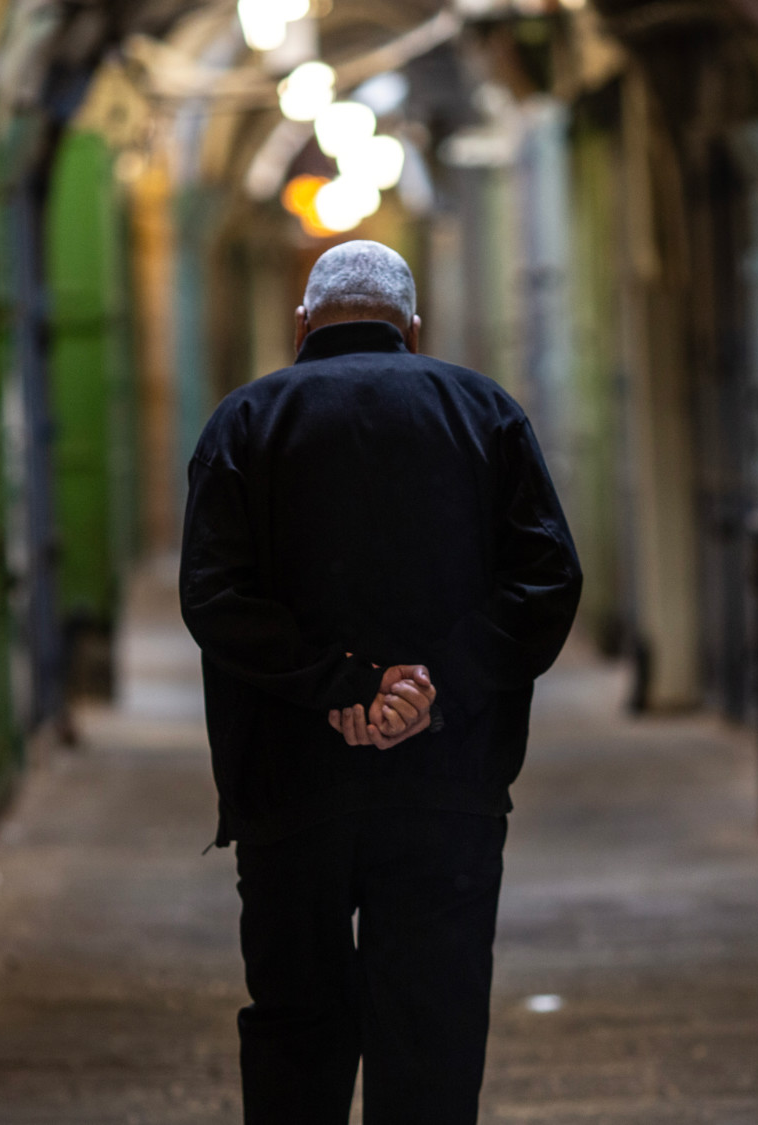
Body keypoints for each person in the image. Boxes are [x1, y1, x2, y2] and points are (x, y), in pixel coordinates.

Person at [180, 239, 582, 1122]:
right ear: (411, 325)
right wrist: (430, 690)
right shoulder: (487, 414)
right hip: (446, 790)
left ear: (300, 325)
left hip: (289, 790)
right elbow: (548, 581)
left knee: (295, 1032)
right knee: (432, 1038)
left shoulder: (243, 423)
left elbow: (214, 597)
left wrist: (341, 687)